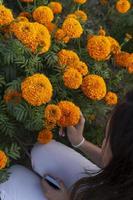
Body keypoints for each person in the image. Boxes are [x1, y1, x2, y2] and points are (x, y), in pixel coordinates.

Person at [0, 90, 133, 200]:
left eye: (107, 139)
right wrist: (80, 142)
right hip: (103, 185)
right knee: (42, 150)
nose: (103, 143)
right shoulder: (124, 170)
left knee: (9, 179)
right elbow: (113, 163)